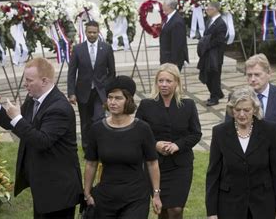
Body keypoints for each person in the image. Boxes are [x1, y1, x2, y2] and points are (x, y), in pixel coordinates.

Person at [0, 58, 82, 218]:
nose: (25, 84)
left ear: (44, 81)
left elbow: (41, 141)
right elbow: (20, 127)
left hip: (59, 190)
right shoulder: (32, 100)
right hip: (43, 185)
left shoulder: (59, 108)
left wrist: (17, 118)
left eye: (29, 80)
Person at [83, 75, 163, 218]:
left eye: (118, 98)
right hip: (105, 197)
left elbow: (152, 163)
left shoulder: (142, 129)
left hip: (135, 198)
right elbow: (91, 163)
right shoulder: (97, 129)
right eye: (110, 97)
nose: (113, 102)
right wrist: (87, 193)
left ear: (128, 100)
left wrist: (156, 194)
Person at [206, 86, 276, 219]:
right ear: (232, 110)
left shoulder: (269, 131)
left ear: (254, 109)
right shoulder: (220, 132)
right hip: (230, 205)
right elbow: (213, 175)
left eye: (246, 110)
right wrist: (212, 212)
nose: (242, 114)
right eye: (237, 110)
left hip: (263, 204)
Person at [230, 53, 276, 194]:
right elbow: (227, 133)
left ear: (269, 73)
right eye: (249, 75)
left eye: (257, 74)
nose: (252, 79)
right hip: (244, 170)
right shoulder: (236, 97)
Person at [135, 63, 202, 219]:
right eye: (161, 81)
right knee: (163, 209)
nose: (164, 85)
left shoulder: (188, 105)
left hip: (181, 165)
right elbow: (138, 133)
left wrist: (178, 145)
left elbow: (196, 133)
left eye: (168, 81)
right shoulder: (146, 105)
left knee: (176, 209)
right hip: (155, 165)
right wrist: (155, 145)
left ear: (177, 82)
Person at [67, 20, 116, 150]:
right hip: (83, 92)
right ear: (85, 32)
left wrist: (108, 89)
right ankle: (87, 147)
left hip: (101, 92)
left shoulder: (106, 48)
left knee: (99, 118)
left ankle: (101, 145)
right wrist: (71, 93)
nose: (92, 35)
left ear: (98, 32)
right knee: (85, 121)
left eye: (94, 32)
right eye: (90, 32)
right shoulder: (78, 49)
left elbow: (112, 72)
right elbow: (72, 73)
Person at [197, 2, 227, 106]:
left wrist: (206, 45)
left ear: (215, 9)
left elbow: (219, 40)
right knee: (207, 76)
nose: (206, 10)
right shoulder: (210, 21)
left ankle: (214, 98)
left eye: (208, 8)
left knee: (214, 77)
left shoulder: (221, 23)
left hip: (215, 56)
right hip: (207, 54)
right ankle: (218, 93)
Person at [159, 0, 189, 70]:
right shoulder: (168, 18)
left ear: (169, 6)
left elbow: (178, 43)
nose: (162, 6)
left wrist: (174, 62)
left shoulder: (177, 21)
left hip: (172, 60)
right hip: (166, 58)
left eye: (164, 4)